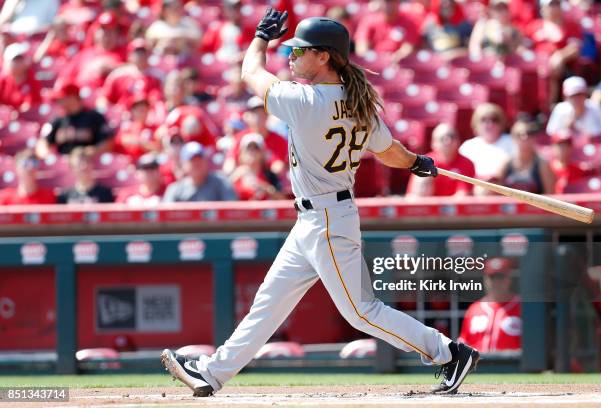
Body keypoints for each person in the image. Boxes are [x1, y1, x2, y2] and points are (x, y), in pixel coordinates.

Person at [161, 10, 479, 397]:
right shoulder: (359, 103)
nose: (291, 57)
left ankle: (449, 352)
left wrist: (262, 36)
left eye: (300, 51)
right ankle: (211, 373)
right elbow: (391, 152)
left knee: (361, 311)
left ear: (325, 56)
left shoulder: (304, 100)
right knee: (269, 302)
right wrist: (416, 162)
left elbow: (250, 72)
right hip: (319, 218)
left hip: (328, 217)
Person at [524, 0, 582, 106]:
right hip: (537, 65)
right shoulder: (534, 27)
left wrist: (560, 56)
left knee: (552, 67)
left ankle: (550, 105)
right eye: (551, 5)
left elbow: (575, 48)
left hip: (563, 67)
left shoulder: (571, 25)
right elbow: (523, 48)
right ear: (542, 9)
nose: (554, 8)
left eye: (557, 4)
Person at [459, 257, 522, 352]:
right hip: (478, 366)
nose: (496, 282)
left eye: (500, 277)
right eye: (492, 277)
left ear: (509, 279)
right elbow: (463, 344)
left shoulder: (522, 307)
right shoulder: (474, 309)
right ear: (485, 279)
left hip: (511, 365)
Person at [36, 82, 114, 158]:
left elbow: (107, 144)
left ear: (72, 97)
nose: (59, 102)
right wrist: (46, 154)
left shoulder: (95, 117)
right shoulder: (57, 119)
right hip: (64, 165)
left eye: (62, 99)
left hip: (87, 165)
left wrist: (89, 152)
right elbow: (43, 142)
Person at [223, 96, 288, 178]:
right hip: (243, 179)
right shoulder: (240, 137)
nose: (258, 117)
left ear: (267, 116)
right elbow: (229, 165)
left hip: (268, 181)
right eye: (254, 113)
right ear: (247, 116)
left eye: (262, 113)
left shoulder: (279, 140)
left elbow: (278, 168)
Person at [407, 124, 475, 197]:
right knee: (422, 181)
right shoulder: (423, 162)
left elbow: (463, 196)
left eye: (452, 136)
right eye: (442, 138)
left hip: (454, 207)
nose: (448, 141)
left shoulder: (466, 163)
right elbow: (412, 196)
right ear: (433, 143)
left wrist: (441, 207)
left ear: (458, 141)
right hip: (429, 206)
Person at [100, 38, 163, 111]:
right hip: (122, 117)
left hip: (148, 118)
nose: (140, 55)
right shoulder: (118, 75)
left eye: (143, 52)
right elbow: (104, 99)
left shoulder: (158, 76)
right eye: (137, 52)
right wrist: (112, 113)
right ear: (129, 55)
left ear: (149, 54)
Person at [162, 141, 236, 202]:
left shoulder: (221, 182)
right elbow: (166, 215)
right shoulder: (175, 189)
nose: (197, 164)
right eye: (192, 160)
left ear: (206, 161)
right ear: (184, 164)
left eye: (199, 159)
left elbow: (232, 210)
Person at [459, 103, 513, 184]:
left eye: (494, 120)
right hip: (474, 189)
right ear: (475, 123)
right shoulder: (468, 146)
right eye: (483, 120)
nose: (489, 124)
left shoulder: (512, 142)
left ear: (502, 123)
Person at [354, 0, 421, 63]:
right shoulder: (369, 20)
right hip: (375, 61)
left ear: (398, 3)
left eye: (392, 1)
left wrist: (396, 57)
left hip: (399, 63)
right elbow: (361, 46)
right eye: (386, 2)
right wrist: (370, 59)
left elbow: (408, 47)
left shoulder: (408, 22)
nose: (389, 5)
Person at [500, 119, 556, 194]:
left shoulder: (542, 164)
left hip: (535, 205)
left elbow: (550, 194)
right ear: (513, 138)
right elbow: (495, 188)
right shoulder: (506, 163)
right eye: (519, 134)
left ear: (535, 138)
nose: (524, 137)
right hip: (510, 205)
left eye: (529, 133)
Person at [230, 133, 286, 200]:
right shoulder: (234, 176)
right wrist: (233, 179)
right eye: (248, 148)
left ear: (263, 153)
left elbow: (283, 200)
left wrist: (266, 188)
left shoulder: (270, 175)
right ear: (241, 153)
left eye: (256, 148)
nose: (252, 152)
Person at [0, 42, 42, 111]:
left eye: (20, 59)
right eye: (15, 60)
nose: (18, 63)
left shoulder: (32, 79)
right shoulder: (2, 80)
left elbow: (31, 106)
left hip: (26, 119)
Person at [549, 129, 586, 194]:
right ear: (553, 146)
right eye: (560, 145)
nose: (563, 149)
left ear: (571, 147)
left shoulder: (577, 170)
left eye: (566, 145)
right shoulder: (547, 168)